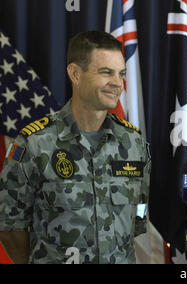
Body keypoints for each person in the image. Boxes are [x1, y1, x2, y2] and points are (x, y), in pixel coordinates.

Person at [0, 31, 151, 264]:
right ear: (75, 74)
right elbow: (10, 226)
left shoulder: (134, 143)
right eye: (106, 72)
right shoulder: (35, 143)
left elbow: (139, 214)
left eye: (121, 74)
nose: (117, 83)